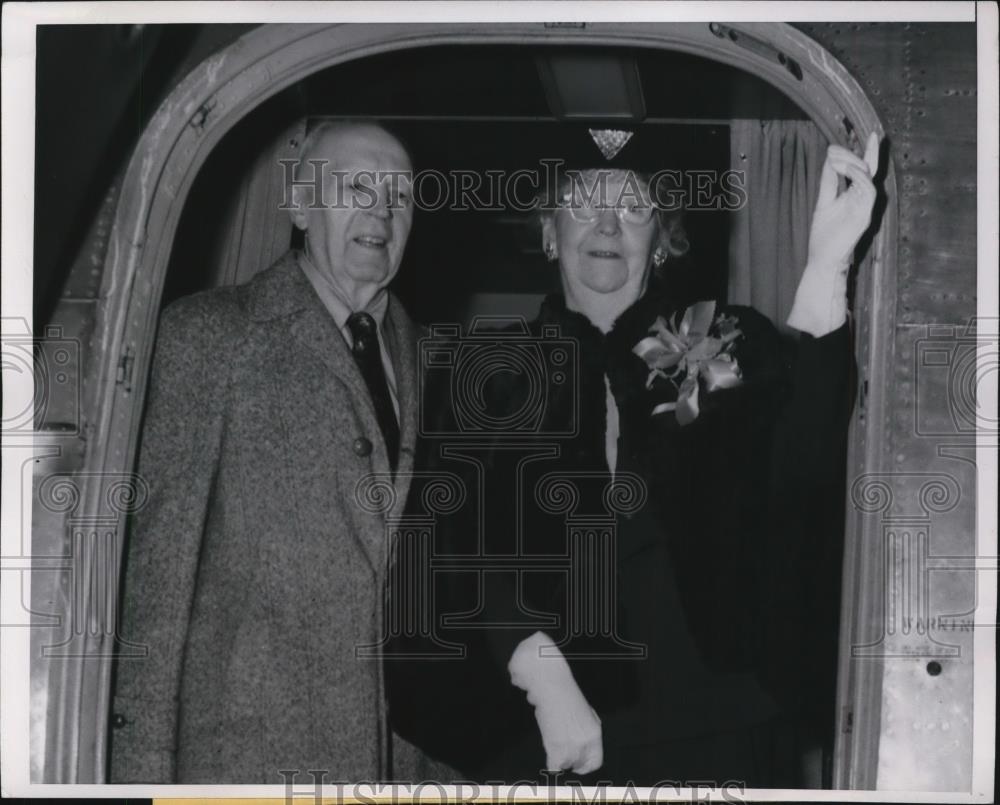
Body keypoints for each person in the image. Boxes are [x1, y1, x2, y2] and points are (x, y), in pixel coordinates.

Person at [389, 131, 880, 787]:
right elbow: (451, 546)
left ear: (664, 239)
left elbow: (803, 458)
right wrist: (536, 667)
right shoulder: (484, 371)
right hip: (547, 732)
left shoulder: (724, 342)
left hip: (720, 728)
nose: (606, 223)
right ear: (547, 230)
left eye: (633, 206)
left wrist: (826, 268)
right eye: (583, 202)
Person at [110, 121, 445, 783]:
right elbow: (157, 591)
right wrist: (140, 777)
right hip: (244, 765)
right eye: (357, 186)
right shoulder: (209, 336)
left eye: (399, 194)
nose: (381, 208)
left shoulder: (428, 356)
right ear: (298, 204)